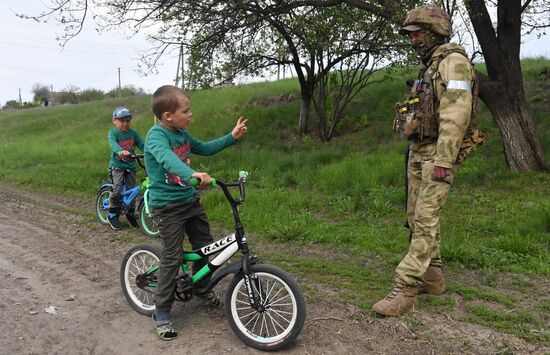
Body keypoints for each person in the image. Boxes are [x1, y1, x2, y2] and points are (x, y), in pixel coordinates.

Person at [373, 5, 484, 317]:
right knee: (415, 217)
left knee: (424, 220)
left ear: (434, 32)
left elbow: (456, 115)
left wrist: (445, 160)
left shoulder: (454, 64)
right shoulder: (431, 66)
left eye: (417, 33)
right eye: (410, 34)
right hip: (419, 151)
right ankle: (432, 278)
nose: (412, 40)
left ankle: (406, 287)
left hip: (438, 155)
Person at [144, 85, 248, 340]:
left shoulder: (183, 134)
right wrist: (192, 174)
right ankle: (162, 311)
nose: (191, 115)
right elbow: (168, 160)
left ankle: (201, 287)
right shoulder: (156, 137)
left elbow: (206, 148)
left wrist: (231, 137)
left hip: (189, 201)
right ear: (168, 115)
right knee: (172, 255)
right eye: (186, 111)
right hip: (167, 208)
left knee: (204, 246)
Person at [107, 106, 145, 230]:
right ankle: (112, 215)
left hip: (130, 166)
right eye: (121, 121)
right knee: (117, 189)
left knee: (132, 191)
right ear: (114, 121)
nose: (125, 123)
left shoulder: (133, 133)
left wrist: (150, 153)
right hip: (117, 166)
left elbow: (142, 145)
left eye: (127, 120)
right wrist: (120, 151)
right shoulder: (113, 132)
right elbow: (113, 144)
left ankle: (130, 214)